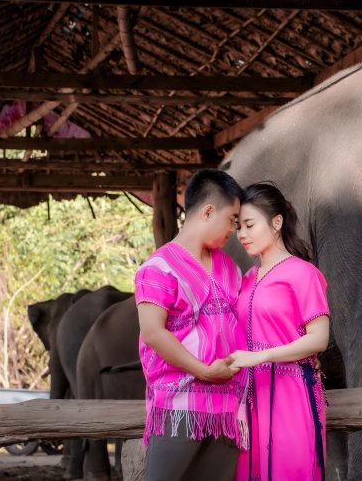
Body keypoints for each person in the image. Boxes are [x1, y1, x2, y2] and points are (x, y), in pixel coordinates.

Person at [135, 169, 248, 481]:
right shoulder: (157, 268)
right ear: (208, 211)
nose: (235, 230)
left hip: (227, 411)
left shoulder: (230, 269)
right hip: (179, 408)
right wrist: (203, 370)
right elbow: (153, 333)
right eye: (232, 219)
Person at [230, 182, 330, 481]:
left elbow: (319, 339)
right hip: (251, 398)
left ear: (276, 223)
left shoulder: (303, 273)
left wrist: (261, 356)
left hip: (292, 394)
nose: (242, 234)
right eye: (238, 227)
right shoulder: (247, 278)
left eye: (249, 225)